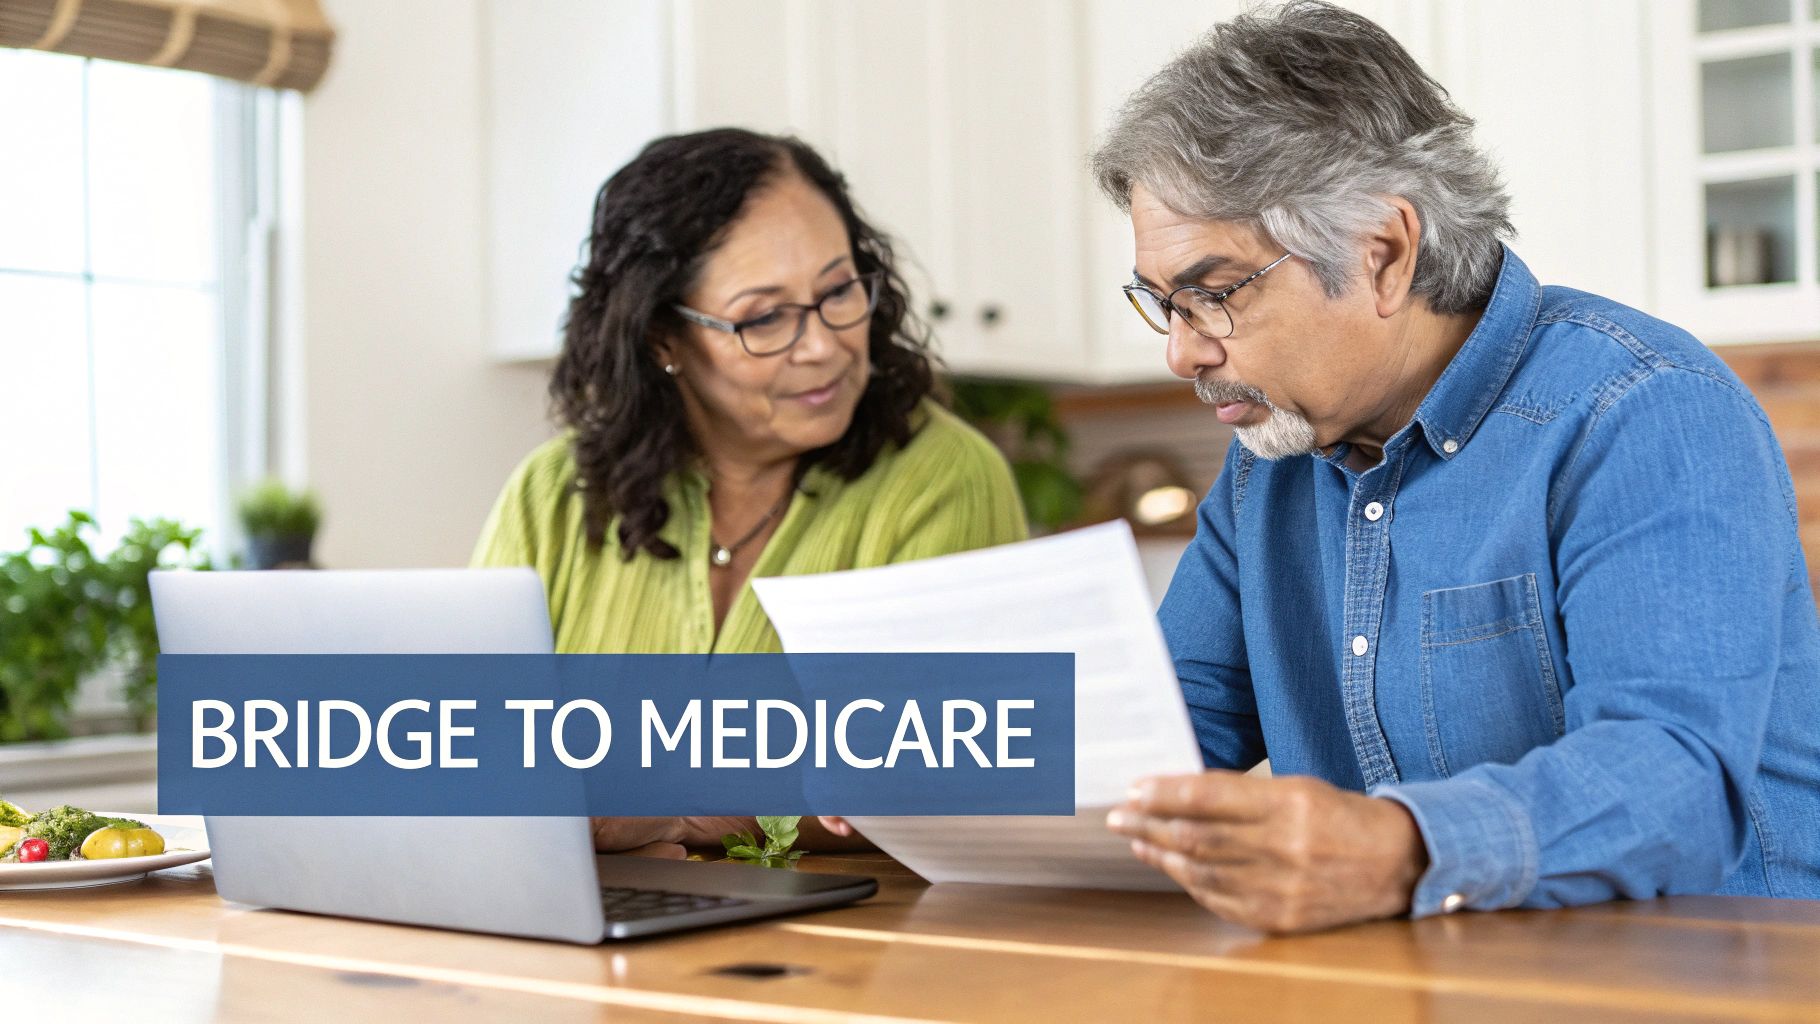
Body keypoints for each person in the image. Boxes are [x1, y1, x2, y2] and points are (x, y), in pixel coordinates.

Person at [1081, 1, 1820, 931]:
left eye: (1212, 295)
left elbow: (1671, 778)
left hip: (1713, 984)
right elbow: (1161, 732)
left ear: (1384, 253)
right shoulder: (1266, 468)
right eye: (1163, 305)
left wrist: (1397, 850)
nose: (1182, 354)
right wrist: (919, 771)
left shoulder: (1642, 412)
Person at [473, 128, 1027, 856]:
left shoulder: (944, 478)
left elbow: (943, 772)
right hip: (588, 938)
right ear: (662, 338)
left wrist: (669, 808)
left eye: (838, 291)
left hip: (849, 951)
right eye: (765, 317)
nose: (824, 344)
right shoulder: (554, 493)